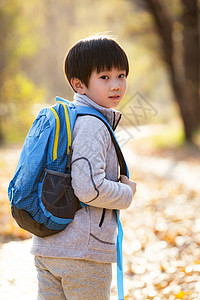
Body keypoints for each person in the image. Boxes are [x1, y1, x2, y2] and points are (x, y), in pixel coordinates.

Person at [31, 35, 137, 300]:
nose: (116, 85)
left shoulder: (71, 118)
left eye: (121, 75)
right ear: (78, 84)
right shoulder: (92, 125)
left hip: (48, 247)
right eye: (104, 77)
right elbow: (88, 188)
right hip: (83, 254)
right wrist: (126, 193)